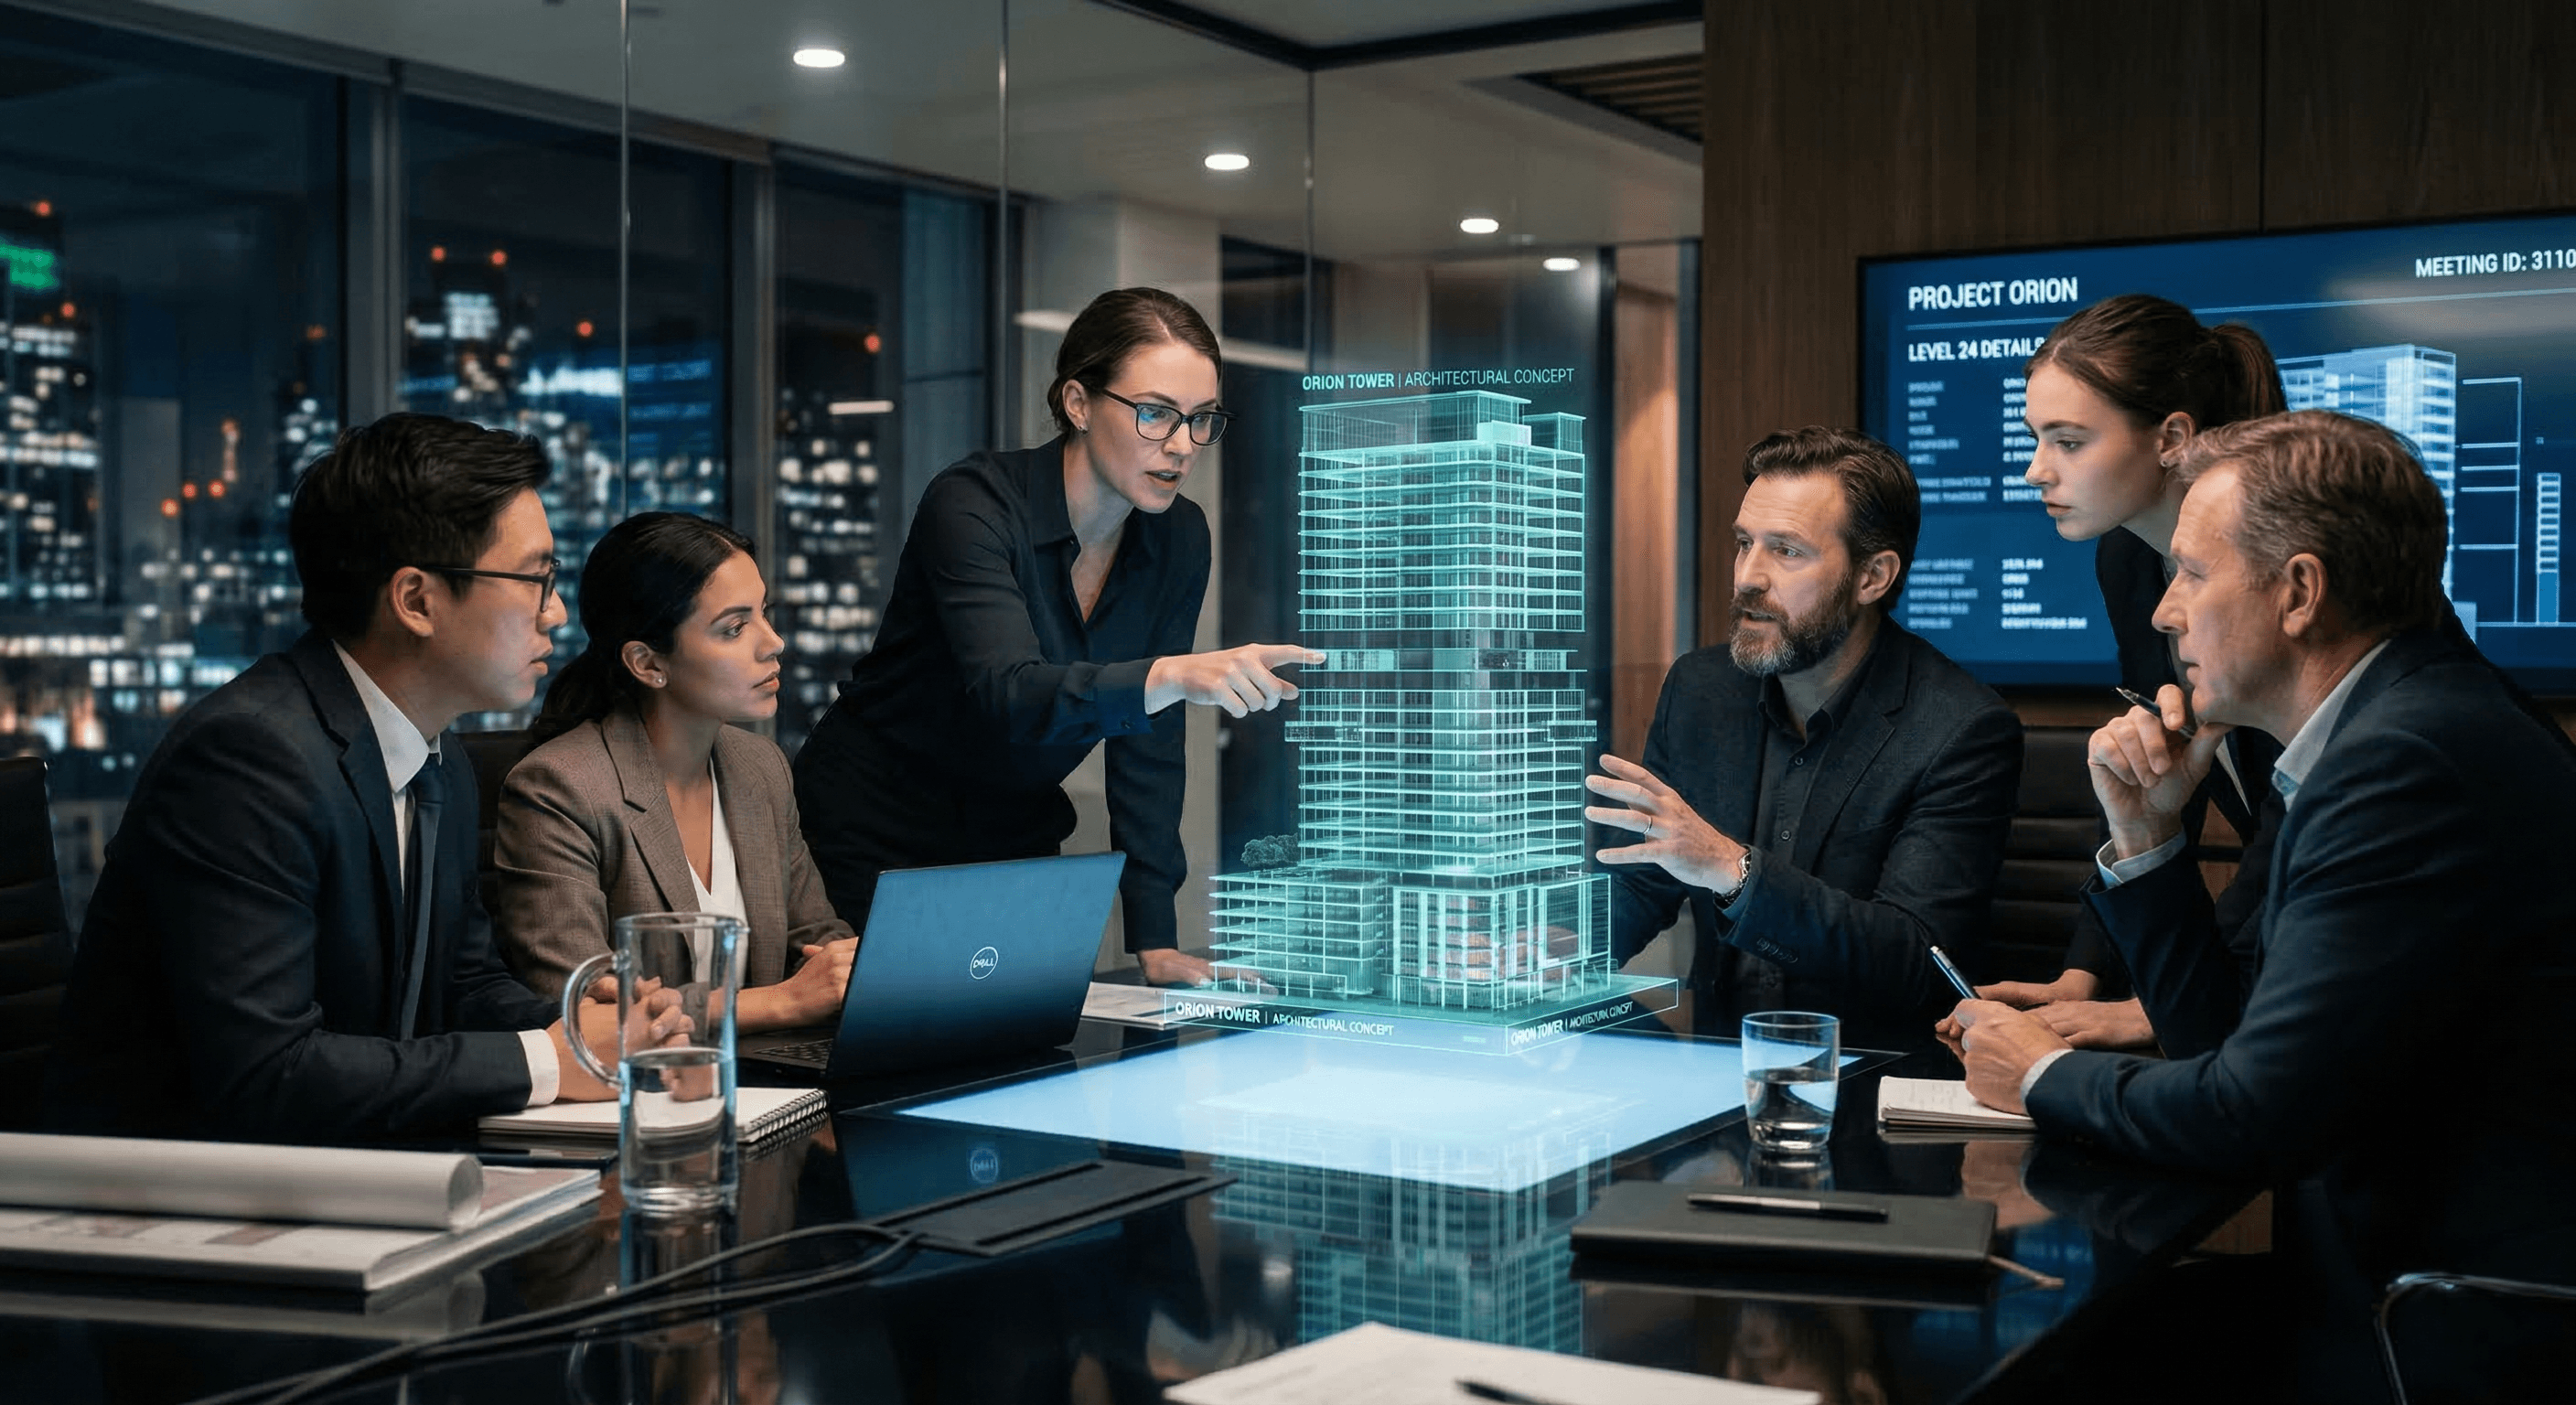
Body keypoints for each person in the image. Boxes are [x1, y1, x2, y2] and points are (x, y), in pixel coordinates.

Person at [1951, 411, 2576, 1304]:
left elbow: (2251, 1119)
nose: (2164, 613)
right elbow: (2234, 1052)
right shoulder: (2402, 722)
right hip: (2393, 1270)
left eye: (2192, 574)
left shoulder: (2399, 765)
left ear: (2297, 593)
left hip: (2447, 1316)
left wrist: (2039, 1074)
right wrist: (2150, 842)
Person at [45, 413, 652, 1142]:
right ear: (417, 600)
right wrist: (546, 1062)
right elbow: (269, 1074)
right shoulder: (248, 760)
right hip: (164, 1202)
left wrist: (589, 1031)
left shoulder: (438, 757)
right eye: (535, 578)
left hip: (354, 1172)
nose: (555, 613)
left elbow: (462, 986)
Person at [791, 287, 1317, 988]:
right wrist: (1173, 676)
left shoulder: (1178, 535)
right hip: (876, 820)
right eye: (1156, 414)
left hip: (1011, 827)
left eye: (1201, 420)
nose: (1183, 446)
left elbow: (1148, 744)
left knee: (1021, 1051)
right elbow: (1007, 691)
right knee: (884, 1046)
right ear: (1077, 403)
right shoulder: (973, 502)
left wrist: (1153, 935)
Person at [1584, 427, 2023, 1035]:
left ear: (1873, 577)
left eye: (1787, 551)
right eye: (1744, 544)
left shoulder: (1961, 729)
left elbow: (1917, 960)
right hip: (1717, 1068)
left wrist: (1734, 870)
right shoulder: (1701, 690)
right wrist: (1558, 946)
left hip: (1871, 1082)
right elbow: (1647, 878)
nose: (1747, 577)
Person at [2001, 293, 2288, 1051]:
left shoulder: (2279, 557)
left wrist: (2164, 999)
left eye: (2067, 441)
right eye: (2037, 439)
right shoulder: (2127, 556)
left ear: (2171, 437)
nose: (2036, 471)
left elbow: (2307, 800)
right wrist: (2089, 970)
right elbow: (2158, 754)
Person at [492, 512, 858, 1031]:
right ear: (647, 663)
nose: (773, 642)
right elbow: (576, 1003)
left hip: (770, 1080)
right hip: (641, 1095)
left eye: (763, 613)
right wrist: (781, 1002)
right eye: (734, 628)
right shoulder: (560, 787)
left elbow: (816, 942)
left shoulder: (761, 768)